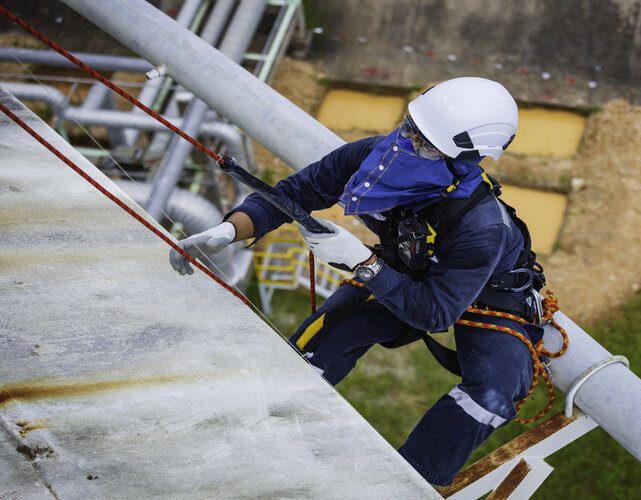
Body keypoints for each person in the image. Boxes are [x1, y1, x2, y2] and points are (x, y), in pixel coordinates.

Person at [169, 77, 546, 486]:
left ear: (464, 161)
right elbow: (298, 191)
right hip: (407, 270)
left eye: (425, 143)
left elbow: (434, 312)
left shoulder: (480, 225)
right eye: (410, 127)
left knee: (492, 391)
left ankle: (406, 484)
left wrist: (362, 262)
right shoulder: (372, 155)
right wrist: (228, 231)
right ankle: (273, 424)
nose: (406, 144)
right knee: (324, 336)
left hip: (492, 298)